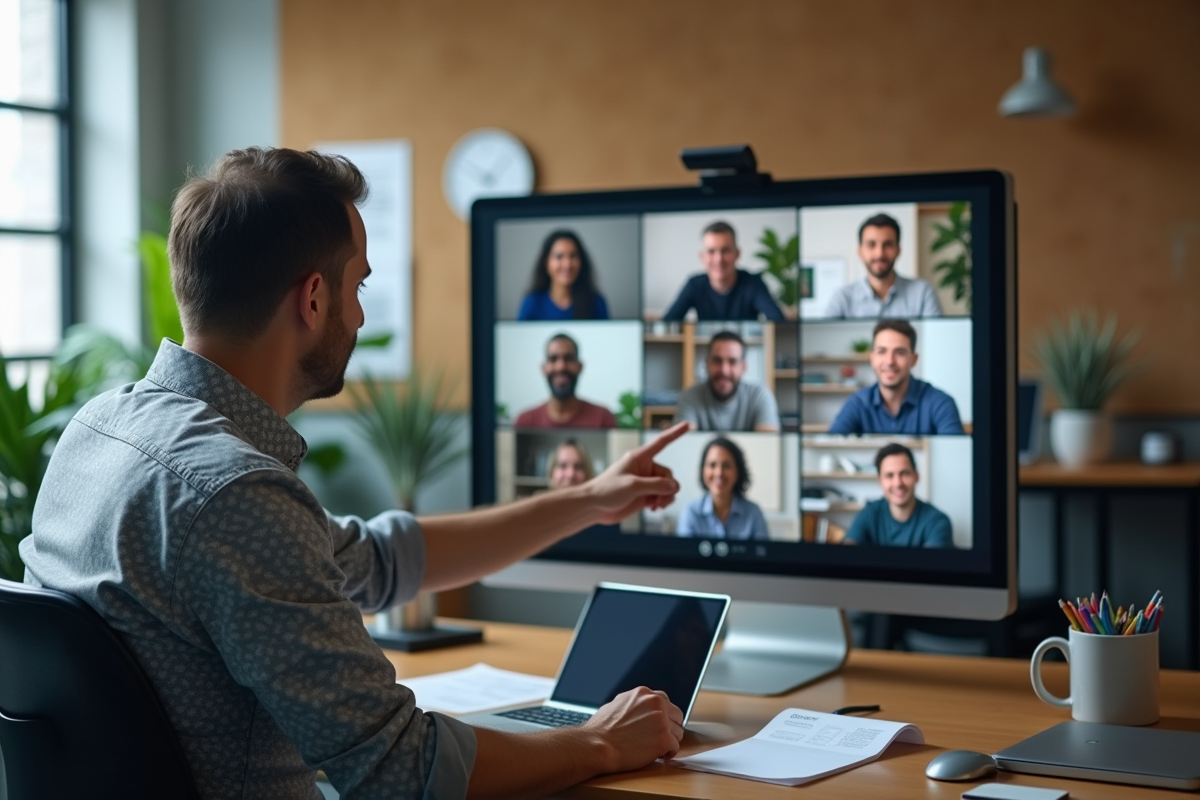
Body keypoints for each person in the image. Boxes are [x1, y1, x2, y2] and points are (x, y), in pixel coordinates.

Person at [20, 147, 691, 800]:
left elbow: (374, 560)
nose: (362, 310)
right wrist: (599, 741)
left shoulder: (101, 430)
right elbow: (405, 771)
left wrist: (585, 501)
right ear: (313, 299)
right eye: (359, 283)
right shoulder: (233, 492)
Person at [828, 319, 965, 435]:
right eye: (882, 352)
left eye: (899, 352)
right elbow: (830, 446)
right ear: (872, 358)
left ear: (913, 359)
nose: (889, 361)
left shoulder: (941, 403)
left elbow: (955, 457)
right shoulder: (857, 403)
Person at [824, 212, 944, 318]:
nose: (879, 253)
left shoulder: (923, 293)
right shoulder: (842, 298)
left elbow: (937, 339)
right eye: (871, 245)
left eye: (887, 245)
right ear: (860, 252)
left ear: (898, 250)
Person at [661, 221, 785, 322]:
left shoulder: (753, 283)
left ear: (737, 254)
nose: (718, 259)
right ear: (702, 256)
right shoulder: (694, 284)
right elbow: (668, 322)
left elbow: (779, 322)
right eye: (711, 251)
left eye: (725, 251)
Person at [843, 443, 953, 547]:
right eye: (889, 475)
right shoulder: (868, 514)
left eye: (905, 474)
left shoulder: (937, 522)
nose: (898, 483)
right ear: (880, 481)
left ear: (916, 476)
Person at [674, 331, 779, 432]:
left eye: (732, 362)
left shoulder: (760, 395)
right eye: (717, 361)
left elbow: (769, 445)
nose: (724, 371)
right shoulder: (690, 396)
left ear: (743, 367)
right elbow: (684, 443)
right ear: (707, 364)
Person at [514, 333, 618, 428]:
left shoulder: (602, 418)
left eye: (569, 359)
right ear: (543, 368)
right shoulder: (526, 421)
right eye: (553, 359)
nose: (561, 367)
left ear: (580, 367)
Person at [676, 437, 770, 540]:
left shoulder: (753, 513)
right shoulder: (691, 512)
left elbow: (763, 553)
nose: (719, 473)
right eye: (712, 465)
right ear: (703, 471)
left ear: (737, 471)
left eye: (726, 466)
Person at [517, 230, 610, 320]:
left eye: (573, 256)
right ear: (546, 262)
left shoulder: (596, 303)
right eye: (559, 256)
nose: (567, 265)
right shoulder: (532, 303)